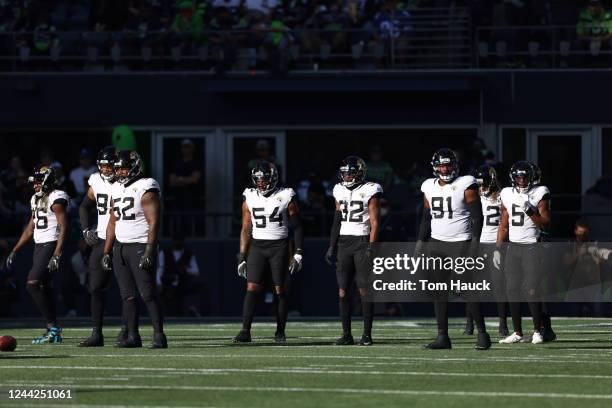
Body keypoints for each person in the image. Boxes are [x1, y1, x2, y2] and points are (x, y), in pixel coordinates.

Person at [416, 148, 490, 350]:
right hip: (437, 242)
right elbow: (426, 217)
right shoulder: (428, 186)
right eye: (441, 165)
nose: (444, 168)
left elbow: (477, 216)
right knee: (439, 291)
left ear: (455, 166)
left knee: (467, 289)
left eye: (448, 164)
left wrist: (475, 243)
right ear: (434, 167)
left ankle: (482, 334)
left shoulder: (466, 183)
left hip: (461, 242)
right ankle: (442, 337)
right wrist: (421, 243)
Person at [102, 150, 167, 349]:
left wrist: (149, 249)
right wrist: (106, 250)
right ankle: (133, 336)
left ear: (135, 167)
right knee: (127, 296)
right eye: (118, 169)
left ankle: (159, 335)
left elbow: (153, 221)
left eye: (123, 168)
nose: (120, 172)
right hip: (121, 246)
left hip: (140, 244)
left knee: (147, 293)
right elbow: (112, 221)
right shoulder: (117, 189)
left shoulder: (146, 186)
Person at [234, 161, 303, 343]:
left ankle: (280, 331)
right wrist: (242, 256)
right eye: (257, 179)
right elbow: (245, 228)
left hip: (279, 246)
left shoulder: (286, 194)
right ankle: (245, 331)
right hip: (257, 246)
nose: (260, 183)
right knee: (251, 288)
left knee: (280, 289)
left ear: (272, 179)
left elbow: (297, 227)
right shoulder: (249, 195)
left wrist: (298, 252)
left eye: (263, 179)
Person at [6, 165, 69, 344]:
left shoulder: (57, 197)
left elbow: (64, 227)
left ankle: (53, 327)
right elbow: (30, 227)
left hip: (51, 243)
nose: (35, 186)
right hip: (39, 245)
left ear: (48, 180)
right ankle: (53, 329)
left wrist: (57, 253)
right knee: (45, 287)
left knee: (33, 283)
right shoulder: (36, 198)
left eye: (38, 182)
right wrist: (15, 249)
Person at [324, 156, 381, 346]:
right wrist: (332, 245)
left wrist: (372, 246)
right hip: (344, 242)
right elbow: (337, 219)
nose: (347, 176)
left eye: (351, 172)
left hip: (362, 241)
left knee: (364, 289)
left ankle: (366, 334)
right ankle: (346, 334)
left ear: (359, 172)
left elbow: (374, 221)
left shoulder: (370, 189)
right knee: (342, 291)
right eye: (345, 173)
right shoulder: (339, 189)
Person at [495, 161, 552, 345]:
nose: (521, 180)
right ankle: (517, 332)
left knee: (531, 289)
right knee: (511, 290)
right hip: (513, 247)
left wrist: (531, 211)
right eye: (518, 177)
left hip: (532, 246)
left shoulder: (540, 192)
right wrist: (498, 248)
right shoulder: (506, 193)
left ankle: (537, 331)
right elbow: (504, 224)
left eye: (525, 176)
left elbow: (545, 223)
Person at [78, 146, 127, 347]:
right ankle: (96, 333)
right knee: (96, 287)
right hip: (100, 239)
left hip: (123, 238)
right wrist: (85, 230)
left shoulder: (127, 182)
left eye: (109, 165)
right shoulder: (96, 180)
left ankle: (127, 331)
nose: (106, 169)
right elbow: (84, 206)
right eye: (103, 165)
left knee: (127, 290)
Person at [464, 164, 509, 337]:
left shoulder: (503, 196)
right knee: (472, 286)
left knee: (499, 286)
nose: (481, 187)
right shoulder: (471, 196)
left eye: (483, 184)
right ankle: (470, 323)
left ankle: (503, 324)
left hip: (496, 245)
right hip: (477, 244)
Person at [157, 232, 201, 317]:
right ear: (172, 241)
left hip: (183, 284)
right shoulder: (164, 253)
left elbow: (196, 271)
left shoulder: (189, 254)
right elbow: (159, 269)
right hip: (168, 284)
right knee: (168, 305)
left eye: (180, 241)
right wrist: (159, 283)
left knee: (183, 304)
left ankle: (189, 312)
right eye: (176, 241)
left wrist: (186, 270)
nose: (178, 243)